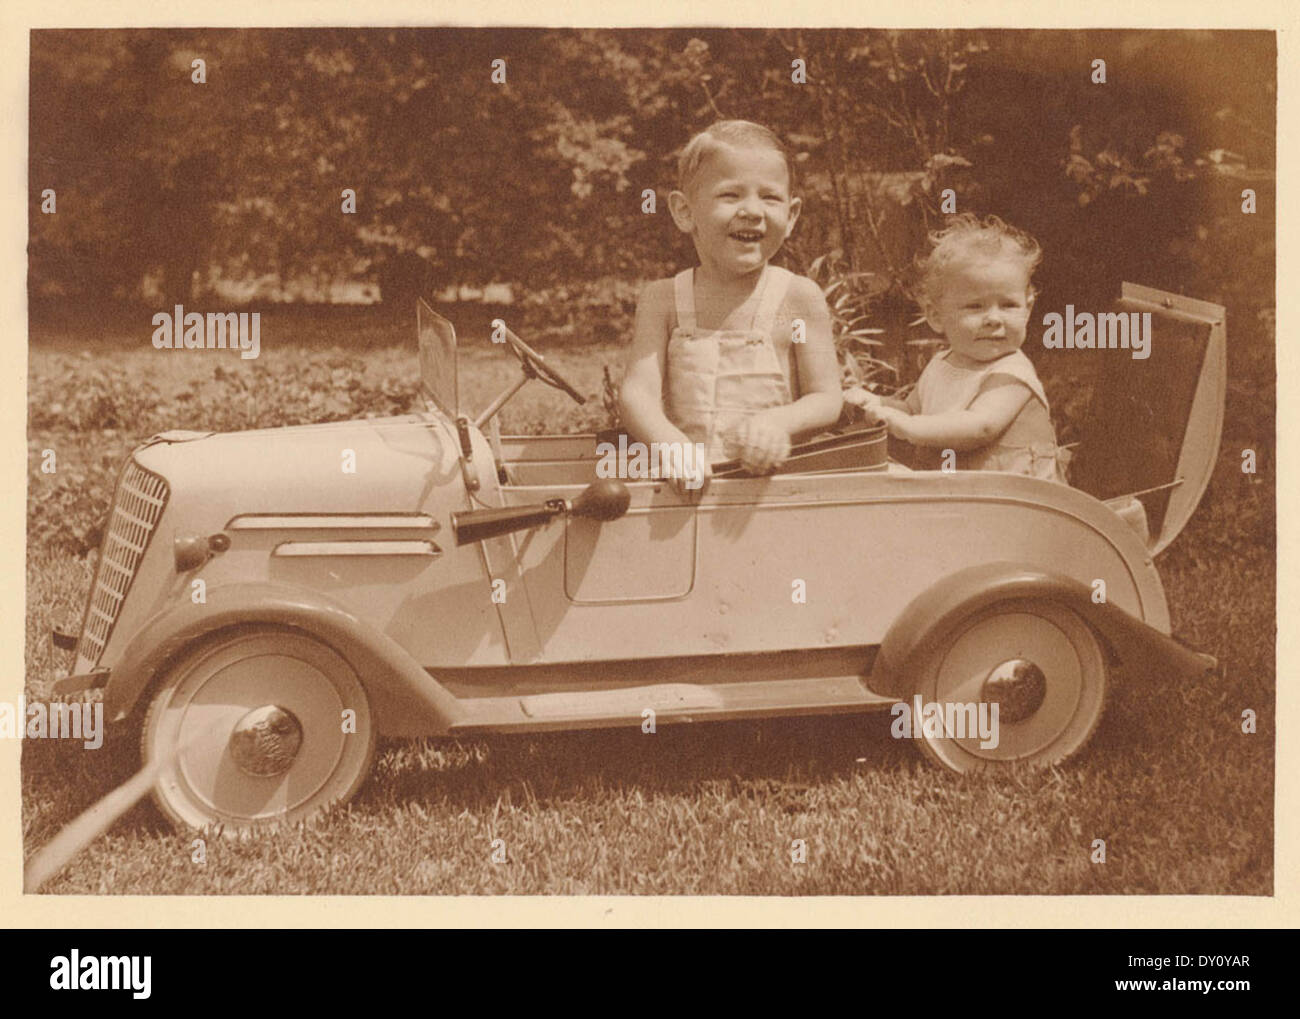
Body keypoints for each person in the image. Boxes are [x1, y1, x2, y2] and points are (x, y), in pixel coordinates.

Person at [619, 120, 843, 493]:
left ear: (792, 216)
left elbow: (826, 397)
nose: (752, 211)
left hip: (771, 495)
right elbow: (636, 395)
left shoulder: (799, 297)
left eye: (770, 197)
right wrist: (672, 446)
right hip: (684, 489)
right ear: (684, 212)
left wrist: (778, 422)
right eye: (730, 195)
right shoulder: (663, 299)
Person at [846, 214, 1066, 482]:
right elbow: (911, 409)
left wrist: (906, 426)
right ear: (937, 316)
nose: (994, 319)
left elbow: (979, 426)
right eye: (975, 306)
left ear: (1028, 308)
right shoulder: (942, 363)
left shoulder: (1012, 374)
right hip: (967, 495)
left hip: (1022, 501)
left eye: (1009, 305)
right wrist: (876, 403)